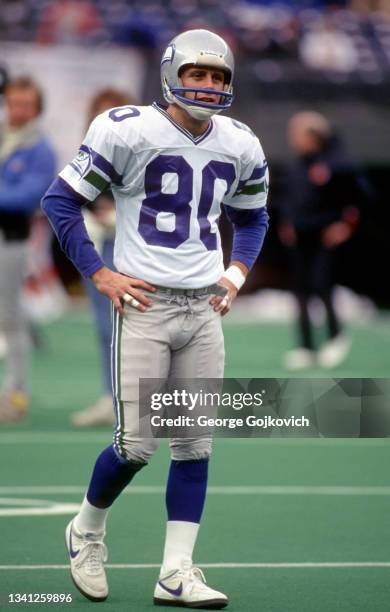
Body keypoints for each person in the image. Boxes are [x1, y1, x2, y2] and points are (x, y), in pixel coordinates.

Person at [42, 29, 269, 608]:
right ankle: (87, 528)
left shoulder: (240, 141)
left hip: (203, 307)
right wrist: (99, 273)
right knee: (136, 446)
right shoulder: (127, 127)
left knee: (195, 446)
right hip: (145, 303)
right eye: (198, 74)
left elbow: (253, 218)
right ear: (172, 75)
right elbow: (60, 200)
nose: (210, 85)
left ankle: (176, 572)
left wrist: (236, 273)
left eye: (218, 76)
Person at [278, 111, 366, 370]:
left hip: (325, 238)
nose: (293, 139)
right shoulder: (296, 166)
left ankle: (336, 338)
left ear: (315, 135)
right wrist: (287, 223)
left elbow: (359, 198)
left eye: (298, 134)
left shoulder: (338, 163)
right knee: (301, 291)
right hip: (299, 239)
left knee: (322, 285)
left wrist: (344, 225)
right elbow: (287, 199)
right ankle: (306, 346)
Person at [71, 88, 134, 427]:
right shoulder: (88, 152)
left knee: (136, 326)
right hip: (96, 242)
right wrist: (91, 213)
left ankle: (135, 398)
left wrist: (120, 214)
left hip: (132, 246)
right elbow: (70, 195)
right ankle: (111, 396)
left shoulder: (143, 151)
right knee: (103, 325)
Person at [0, 76, 56, 421]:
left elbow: (26, 197)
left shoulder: (40, 148)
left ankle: (16, 393)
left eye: (26, 104)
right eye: (13, 102)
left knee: (10, 316)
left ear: (36, 109)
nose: (18, 110)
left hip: (11, 239)